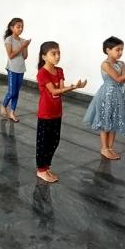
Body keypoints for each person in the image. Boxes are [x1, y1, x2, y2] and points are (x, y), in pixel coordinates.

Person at [83, 36, 125, 160]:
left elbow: (124, 80)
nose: (120, 52)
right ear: (108, 50)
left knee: (114, 120)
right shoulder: (105, 64)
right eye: (118, 49)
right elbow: (118, 79)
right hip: (107, 96)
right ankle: (104, 148)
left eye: (122, 50)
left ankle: (110, 148)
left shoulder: (121, 63)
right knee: (105, 121)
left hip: (119, 95)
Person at [36, 41, 87, 183]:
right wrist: (73, 87)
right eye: (53, 53)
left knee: (55, 141)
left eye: (58, 53)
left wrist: (73, 87)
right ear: (44, 56)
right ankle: (41, 170)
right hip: (46, 113)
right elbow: (53, 90)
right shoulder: (42, 73)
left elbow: (61, 90)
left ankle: (46, 167)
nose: (57, 56)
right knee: (44, 142)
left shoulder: (59, 71)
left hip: (57, 112)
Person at [0, 18, 31, 122]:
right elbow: (11, 55)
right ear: (12, 28)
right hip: (12, 69)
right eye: (18, 27)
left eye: (22, 27)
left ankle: (12, 112)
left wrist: (26, 47)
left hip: (21, 69)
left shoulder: (22, 40)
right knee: (11, 92)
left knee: (16, 92)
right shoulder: (9, 39)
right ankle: (4, 105)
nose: (20, 29)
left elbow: (25, 56)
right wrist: (22, 47)